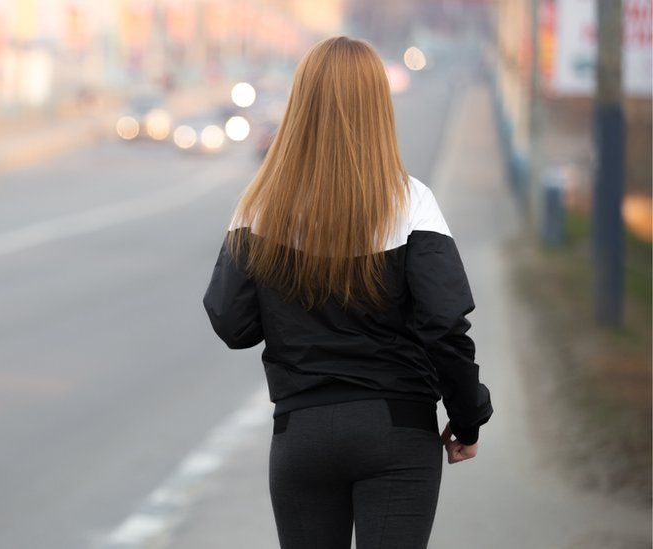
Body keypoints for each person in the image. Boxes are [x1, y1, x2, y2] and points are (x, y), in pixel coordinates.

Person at [202, 36, 493, 548]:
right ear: (379, 106)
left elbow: (233, 324)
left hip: (302, 435)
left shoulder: (260, 206)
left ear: (300, 105)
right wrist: (468, 418)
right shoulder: (412, 202)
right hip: (397, 433)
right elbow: (444, 325)